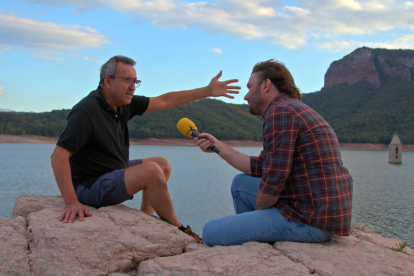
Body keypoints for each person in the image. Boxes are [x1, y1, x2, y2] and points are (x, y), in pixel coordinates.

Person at [50, 55, 240, 241]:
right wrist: (71, 202)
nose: (132, 87)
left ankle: (145, 219)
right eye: (127, 80)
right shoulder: (86, 110)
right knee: (151, 172)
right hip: (89, 186)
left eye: (135, 81)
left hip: (111, 171)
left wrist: (206, 91)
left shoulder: (123, 104)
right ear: (107, 81)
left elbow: (165, 100)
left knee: (161, 164)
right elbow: (58, 156)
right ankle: (178, 228)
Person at [194, 59, 353, 247]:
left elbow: (272, 183)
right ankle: (255, 241)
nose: (245, 97)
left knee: (211, 232)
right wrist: (218, 146)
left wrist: (258, 216)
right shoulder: (290, 108)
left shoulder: (280, 113)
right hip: (319, 211)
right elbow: (262, 166)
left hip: (310, 220)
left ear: (266, 85)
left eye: (249, 87)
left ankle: (256, 243)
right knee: (240, 183)